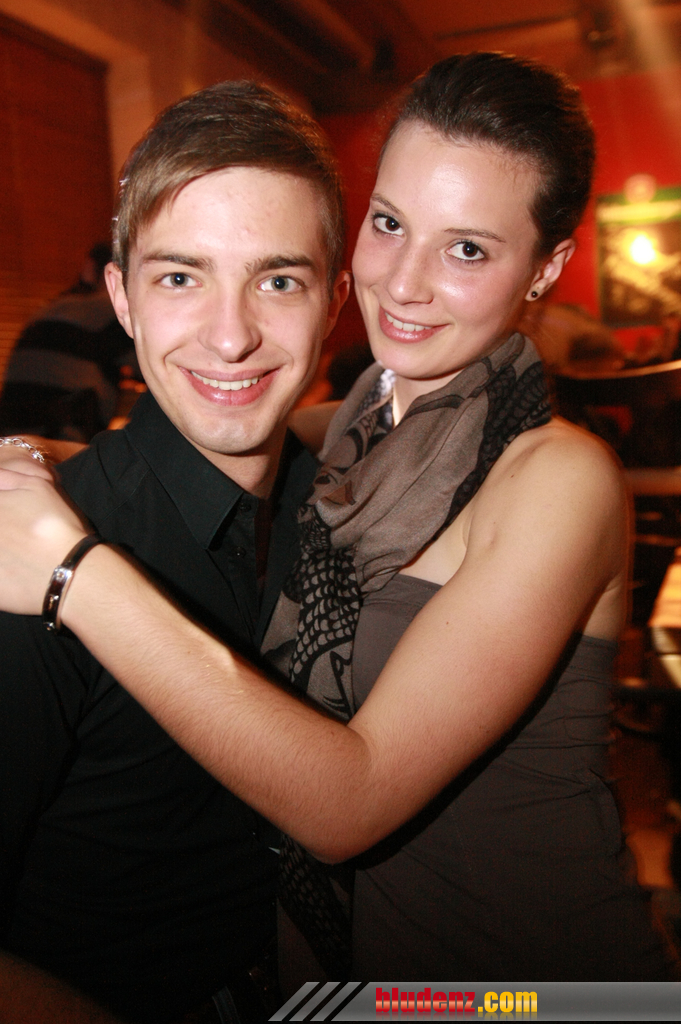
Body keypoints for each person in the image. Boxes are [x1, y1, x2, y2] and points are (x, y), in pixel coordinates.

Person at [0, 54, 674, 982]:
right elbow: (230, 420)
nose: (405, 283)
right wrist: (40, 457)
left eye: (467, 249)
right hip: (381, 985)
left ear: (546, 266)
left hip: (530, 987)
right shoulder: (363, 432)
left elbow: (348, 805)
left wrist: (72, 567)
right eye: (389, 224)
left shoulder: (557, 476)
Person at [0, 82, 348, 1022]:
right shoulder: (24, 563)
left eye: (278, 280)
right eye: (180, 278)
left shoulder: (339, 507)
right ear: (122, 298)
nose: (231, 337)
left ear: (334, 300)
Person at [0, 243, 136, 441]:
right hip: (64, 438)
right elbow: (155, 369)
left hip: (13, 439)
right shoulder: (110, 312)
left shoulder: (51, 309)